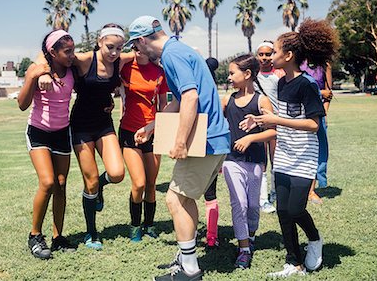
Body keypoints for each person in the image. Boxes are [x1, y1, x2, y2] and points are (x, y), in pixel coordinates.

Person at [129, 15, 230, 281]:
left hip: (204, 140)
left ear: (142, 40)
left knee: (174, 199)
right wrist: (153, 125)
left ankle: (190, 269)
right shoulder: (179, 49)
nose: (136, 52)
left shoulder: (172, 55)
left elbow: (190, 97)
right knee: (185, 199)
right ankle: (187, 259)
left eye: (135, 46)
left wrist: (180, 141)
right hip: (215, 139)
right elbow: (179, 99)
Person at [250, 18, 339, 277]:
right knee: (282, 212)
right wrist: (260, 119)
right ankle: (294, 261)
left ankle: (314, 239)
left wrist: (275, 120)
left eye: (275, 52)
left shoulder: (307, 84)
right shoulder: (281, 83)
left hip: (304, 156)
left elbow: (313, 123)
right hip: (285, 154)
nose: (270, 57)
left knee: (296, 209)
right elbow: (280, 116)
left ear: (288, 56)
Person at [35, 23, 134, 250]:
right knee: (88, 183)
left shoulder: (121, 59)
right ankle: (92, 233)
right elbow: (44, 53)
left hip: (103, 123)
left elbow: (143, 52)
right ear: (99, 42)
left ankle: (100, 186)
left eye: (119, 48)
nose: (114, 53)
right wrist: (43, 72)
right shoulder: (83, 59)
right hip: (80, 125)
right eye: (109, 47)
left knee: (117, 173)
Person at [18, 30, 77, 259]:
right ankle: (35, 235)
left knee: (61, 184)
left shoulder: (71, 69)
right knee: (48, 181)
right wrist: (34, 76)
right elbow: (22, 105)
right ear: (53, 52)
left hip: (62, 132)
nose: (72, 55)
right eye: (67, 51)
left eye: (73, 50)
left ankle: (58, 236)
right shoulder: (37, 69)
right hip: (38, 133)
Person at [222, 54, 277, 269]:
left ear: (246, 75)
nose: (229, 77)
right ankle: (243, 249)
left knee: (253, 206)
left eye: (232, 73)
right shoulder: (228, 100)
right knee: (240, 204)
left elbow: (273, 132)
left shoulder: (261, 101)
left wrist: (252, 136)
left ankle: (250, 237)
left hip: (255, 161)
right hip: (231, 161)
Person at [119, 46, 169, 242]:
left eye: (142, 48)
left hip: (153, 132)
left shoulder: (159, 72)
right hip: (129, 131)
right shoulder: (125, 67)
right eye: (134, 48)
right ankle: (135, 226)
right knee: (138, 183)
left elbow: (163, 104)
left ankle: (149, 225)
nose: (138, 52)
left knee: (151, 184)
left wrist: (161, 129)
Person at [255, 40, 284, 214]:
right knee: (261, 162)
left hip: (276, 123)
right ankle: (263, 199)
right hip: (259, 123)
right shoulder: (252, 77)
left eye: (268, 54)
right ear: (257, 56)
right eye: (262, 54)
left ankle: (275, 193)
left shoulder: (279, 76)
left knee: (277, 160)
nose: (265, 58)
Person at [300, 61, 332, 204]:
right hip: (299, 114)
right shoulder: (297, 62)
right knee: (303, 150)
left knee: (318, 150)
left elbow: (329, 93)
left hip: (318, 115)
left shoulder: (325, 65)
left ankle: (312, 190)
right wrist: (320, 92)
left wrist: (324, 112)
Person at [204, 57, 220, 249]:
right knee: (210, 195)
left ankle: (211, 235)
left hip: (206, 150)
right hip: (212, 150)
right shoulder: (217, 100)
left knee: (208, 195)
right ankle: (211, 236)